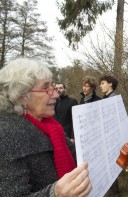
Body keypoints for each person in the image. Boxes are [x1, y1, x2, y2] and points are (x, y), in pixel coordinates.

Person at [0, 58, 91, 196]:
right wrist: (54, 194)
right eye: (45, 88)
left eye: (52, 86)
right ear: (21, 96)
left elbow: (78, 152)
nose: (55, 94)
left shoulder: (51, 126)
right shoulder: (6, 135)